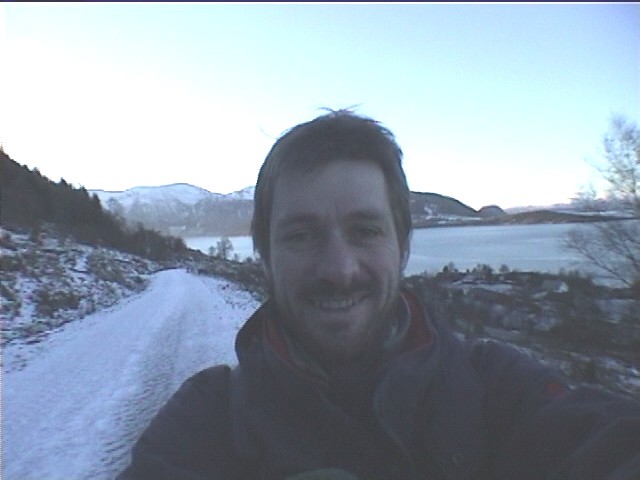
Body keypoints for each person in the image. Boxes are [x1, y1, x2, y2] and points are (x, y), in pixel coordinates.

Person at [118, 110, 640, 480]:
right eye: (301, 235)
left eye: (365, 231)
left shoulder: (497, 388)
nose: (339, 270)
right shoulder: (207, 422)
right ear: (264, 254)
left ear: (403, 245)